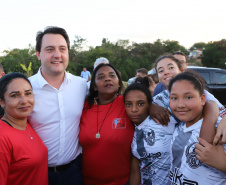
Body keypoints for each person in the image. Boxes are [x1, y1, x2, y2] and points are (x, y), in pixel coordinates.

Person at [28, 26, 87, 185]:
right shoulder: (26, 89)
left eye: (62, 49)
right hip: (37, 174)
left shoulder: (82, 86)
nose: (57, 55)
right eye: (49, 49)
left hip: (75, 171)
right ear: (38, 54)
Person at [79, 63, 134, 185]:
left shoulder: (128, 103)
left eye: (111, 75)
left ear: (119, 83)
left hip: (122, 181)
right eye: (101, 77)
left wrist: (153, 107)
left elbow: (144, 104)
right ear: (94, 86)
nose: (107, 79)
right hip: (87, 181)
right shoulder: (83, 107)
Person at [151, 54, 226, 143]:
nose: (166, 72)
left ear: (181, 70)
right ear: (158, 78)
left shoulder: (197, 92)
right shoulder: (160, 95)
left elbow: (221, 111)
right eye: (161, 71)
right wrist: (150, 106)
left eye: (171, 68)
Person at [168, 70, 226, 184]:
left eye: (188, 97)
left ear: (203, 99)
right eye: (174, 98)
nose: (180, 105)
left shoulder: (220, 129)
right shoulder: (178, 125)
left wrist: (223, 164)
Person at [123, 80, 176, 185]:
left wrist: (213, 108)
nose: (134, 109)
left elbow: (199, 94)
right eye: (129, 104)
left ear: (149, 103)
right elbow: (136, 170)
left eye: (140, 104)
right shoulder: (131, 129)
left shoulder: (164, 119)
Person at [0, 72, 48, 185]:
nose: (24, 101)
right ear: (1, 102)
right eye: (14, 95)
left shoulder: (27, 124)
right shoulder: (2, 137)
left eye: (28, 93)